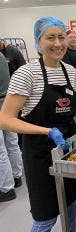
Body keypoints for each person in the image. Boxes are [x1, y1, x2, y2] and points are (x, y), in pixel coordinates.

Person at [0, 16, 76, 231]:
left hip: (69, 147)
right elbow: (5, 119)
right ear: (38, 41)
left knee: (71, 203)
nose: (57, 44)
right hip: (40, 153)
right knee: (45, 217)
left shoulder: (67, 70)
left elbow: (66, 101)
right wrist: (46, 131)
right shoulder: (27, 73)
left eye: (61, 37)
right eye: (50, 38)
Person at [0, 52, 23, 202]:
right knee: (11, 143)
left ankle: (6, 189)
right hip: (6, 103)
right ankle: (16, 176)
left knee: (1, 149)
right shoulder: (1, 56)